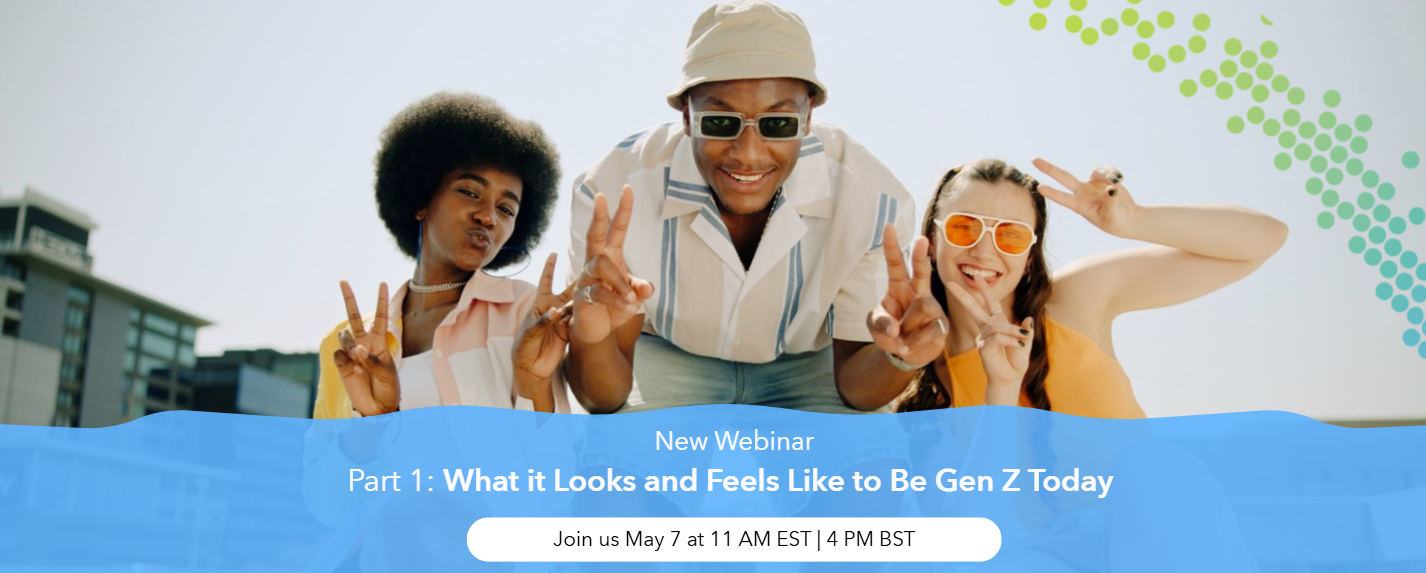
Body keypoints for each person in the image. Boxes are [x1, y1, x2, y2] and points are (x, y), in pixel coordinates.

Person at [563, 0, 919, 415]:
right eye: (719, 122)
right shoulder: (609, 191)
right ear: (686, 115)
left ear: (808, 118)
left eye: (777, 124)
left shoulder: (874, 201)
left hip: (807, 361)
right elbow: (602, 399)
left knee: (868, 475)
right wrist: (589, 338)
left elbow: (856, 392)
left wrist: (903, 355)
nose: (748, 155)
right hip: (664, 352)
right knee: (616, 473)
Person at [851, 157, 1288, 417]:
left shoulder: (1075, 301)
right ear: (933, 235)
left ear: (1029, 257)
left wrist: (1135, 221)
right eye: (965, 227)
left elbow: (1265, 238)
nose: (985, 251)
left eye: (1010, 235)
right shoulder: (919, 373)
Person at [311, 91, 571, 419]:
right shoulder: (344, 345)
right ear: (420, 200)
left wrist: (534, 383)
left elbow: (553, 461)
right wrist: (373, 422)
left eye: (506, 209)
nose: (488, 217)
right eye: (469, 192)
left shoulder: (526, 314)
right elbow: (322, 471)